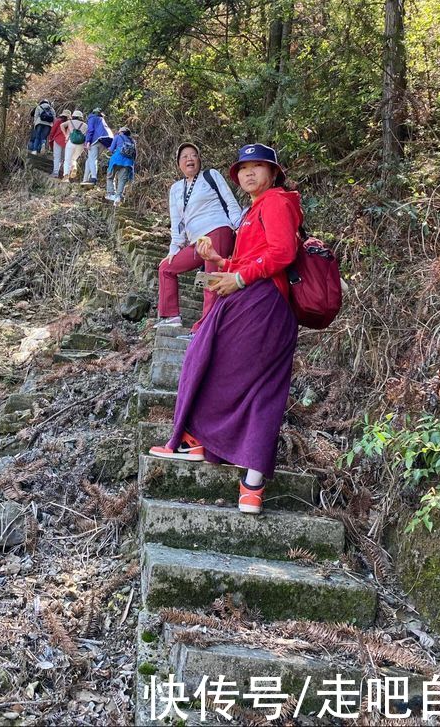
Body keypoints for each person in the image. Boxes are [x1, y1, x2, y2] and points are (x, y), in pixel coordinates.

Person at [149, 143, 302, 517]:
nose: (249, 174)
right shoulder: (255, 209)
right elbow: (253, 258)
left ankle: (241, 473)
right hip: (254, 298)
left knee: (231, 371)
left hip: (264, 303)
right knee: (218, 363)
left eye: (257, 167)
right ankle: (210, 450)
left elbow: (283, 254)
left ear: (273, 171)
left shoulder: (278, 202)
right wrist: (221, 260)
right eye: (243, 168)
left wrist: (239, 276)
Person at [156, 143, 242, 329]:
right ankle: (171, 317)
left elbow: (230, 201)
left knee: (210, 280)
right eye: (185, 156)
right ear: (179, 163)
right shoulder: (176, 189)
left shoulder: (210, 176)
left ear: (199, 160)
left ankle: (204, 329)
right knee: (166, 268)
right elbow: (177, 222)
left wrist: (240, 226)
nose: (190, 159)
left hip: (217, 230)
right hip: (197, 241)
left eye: (194, 155)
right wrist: (174, 248)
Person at [82, 110, 113, 186]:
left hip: (95, 140)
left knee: (92, 159)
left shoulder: (92, 118)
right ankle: (85, 179)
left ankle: (93, 178)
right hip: (105, 141)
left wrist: (88, 141)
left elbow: (90, 130)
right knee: (90, 159)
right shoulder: (102, 119)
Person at [106, 126, 135, 204]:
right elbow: (134, 155)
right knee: (122, 180)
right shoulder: (132, 141)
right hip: (128, 163)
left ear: (121, 132)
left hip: (116, 160)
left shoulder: (118, 137)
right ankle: (118, 196)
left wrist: (109, 149)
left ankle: (110, 194)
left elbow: (111, 149)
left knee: (110, 177)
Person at [60, 110, 88, 182]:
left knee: (67, 160)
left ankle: (66, 177)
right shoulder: (85, 125)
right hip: (81, 144)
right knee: (73, 159)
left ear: (73, 116)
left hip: (71, 142)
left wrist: (66, 134)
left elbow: (61, 125)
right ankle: (74, 166)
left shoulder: (70, 122)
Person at [46, 110, 71, 177]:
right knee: (62, 158)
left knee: (56, 157)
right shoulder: (70, 123)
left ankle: (55, 172)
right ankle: (62, 173)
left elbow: (53, 130)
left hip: (57, 140)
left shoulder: (58, 121)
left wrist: (50, 138)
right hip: (66, 142)